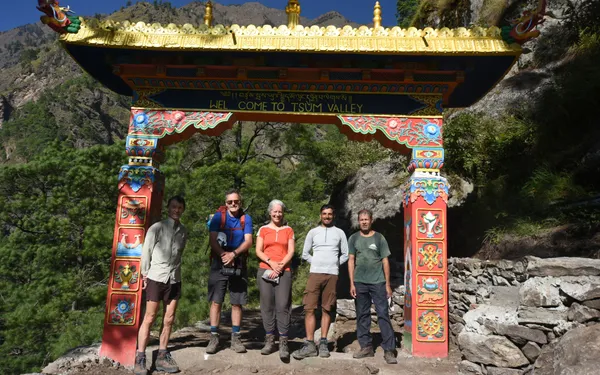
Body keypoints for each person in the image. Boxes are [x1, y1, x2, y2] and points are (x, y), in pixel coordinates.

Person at [135, 196, 188, 375]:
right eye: (174, 207)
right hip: (156, 277)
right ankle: (140, 357)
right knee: (149, 318)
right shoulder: (157, 228)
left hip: (174, 279)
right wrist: (144, 275)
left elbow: (179, 255)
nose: (177, 210)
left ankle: (162, 355)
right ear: (168, 208)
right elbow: (146, 252)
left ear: (183, 210)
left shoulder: (183, 231)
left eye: (180, 207)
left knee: (169, 318)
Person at [292, 204, 349, 360]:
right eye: (324, 214)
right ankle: (310, 344)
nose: (327, 216)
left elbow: (345, 254)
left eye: (330, 214)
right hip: (315, 273)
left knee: (327, 308)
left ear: (333, 216)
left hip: (332, 274)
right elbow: (305, 253)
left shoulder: (340, 233)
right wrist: (315, 262)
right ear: (320, 215)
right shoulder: (313, 232)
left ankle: (323, 343)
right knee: (309, 307)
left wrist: (335, 264)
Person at [206, 189, 253, 354]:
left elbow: (248, 241)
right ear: (225, 203)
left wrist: (233, 254)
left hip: (238, 262)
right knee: (216, 301)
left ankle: (236, 337)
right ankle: (213, 337)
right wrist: (223, 255)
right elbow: (212, 240)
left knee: (237, 302)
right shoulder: (219, 217)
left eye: (236, 201)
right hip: (219, 263)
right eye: (230, 202)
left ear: (241, 202)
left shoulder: (246, 219)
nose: (233, 204)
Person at [348, 209, 397, 364]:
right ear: (358, 221)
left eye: (366, 219)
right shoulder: (354, 238)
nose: (364, 222)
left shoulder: (379, 238)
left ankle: (389, 349)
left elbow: (385, 261)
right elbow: (351, 260)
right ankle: (366, 347)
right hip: (360, 282)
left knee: (383, 314)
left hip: (378, 282)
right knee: (362, 315)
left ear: (371, 220)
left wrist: (388, 284)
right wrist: (351, 283)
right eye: (361, 219)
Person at [255, 199, 295, 360]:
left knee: (283, 305)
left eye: (280, 211)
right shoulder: (263, 229)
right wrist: (271, 263)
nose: (277, 214)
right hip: (265, 270)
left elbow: (291, 251)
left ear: (283, 213)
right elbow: (258, 250)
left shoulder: (288, 230)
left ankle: (284, 342)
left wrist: (280, 266)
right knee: (267, 305)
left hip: (283, 271)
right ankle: (270, 340)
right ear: (270, 212)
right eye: (275, 211)